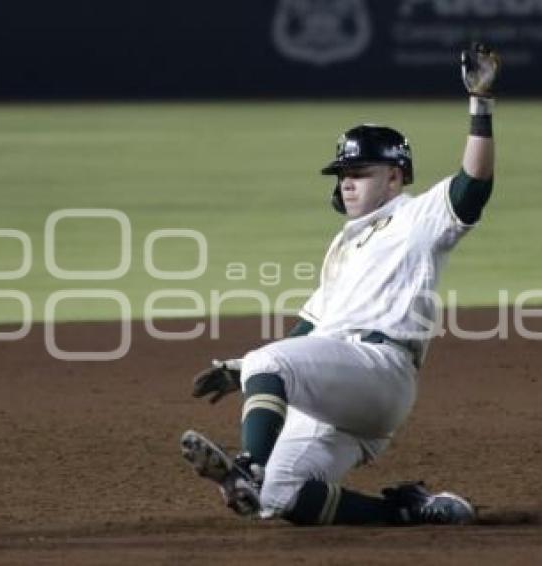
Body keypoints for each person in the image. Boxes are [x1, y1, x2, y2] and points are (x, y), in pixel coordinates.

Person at [181, 43, 500, 526]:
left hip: (379, 370)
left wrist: (481, 106)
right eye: (342, 175)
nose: (346, 183)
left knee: (269, 368)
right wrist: (238, 368)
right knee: (277, 498)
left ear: (394, 177)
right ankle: (410, 512)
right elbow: (306, 335)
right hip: (338, 388)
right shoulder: (343, 245)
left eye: (358, 173)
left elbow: (472, 186)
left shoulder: (416, 218)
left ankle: (246, 466)